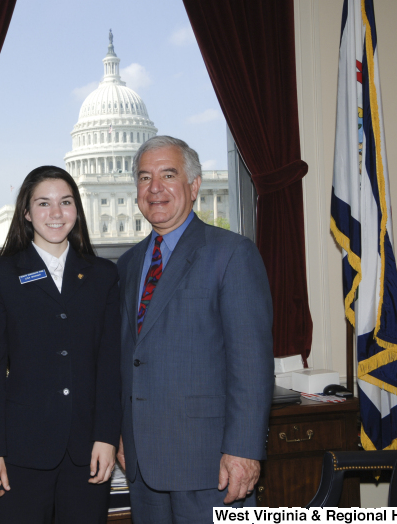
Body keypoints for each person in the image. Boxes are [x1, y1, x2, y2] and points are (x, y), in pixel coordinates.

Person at [116, 136, 273, 523]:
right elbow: (125, 358)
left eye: (168, 174)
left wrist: (244, 450)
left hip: (211, 465)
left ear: (194, 185)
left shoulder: (232, 253)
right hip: (142, 464)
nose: (155, 188)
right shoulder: (128, 264)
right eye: (145, 177)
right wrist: (119, 433)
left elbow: (251, 364)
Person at [0, 166, 121, 524]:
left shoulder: (103, 275)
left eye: (65, 202)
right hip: (19, 452)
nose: (56, 213)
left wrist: (107, 438)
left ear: (77, 209)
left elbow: (110, 364)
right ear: (26, 212)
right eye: (43, 203)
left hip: (88, 450)